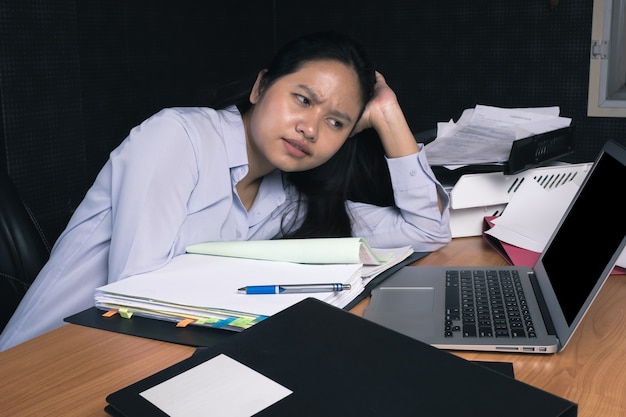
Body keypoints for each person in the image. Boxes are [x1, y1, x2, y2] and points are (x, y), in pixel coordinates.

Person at [0, 31, 450, 351]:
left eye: (336, 122)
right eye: (303, 99)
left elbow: (427, 230)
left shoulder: (289, 201)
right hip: (40, 364)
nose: (310, 128)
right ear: (260, 86)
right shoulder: (178, 137)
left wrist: (389, 115)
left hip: (132, 359)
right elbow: (137, 296)